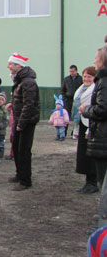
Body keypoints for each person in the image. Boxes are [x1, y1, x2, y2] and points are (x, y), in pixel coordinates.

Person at [80, 47, 107, 227]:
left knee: (103, 181)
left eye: (97, 58)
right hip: (101, 135)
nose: (94, 61)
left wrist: (86, 110)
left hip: (103, 137)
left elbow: (103, 109)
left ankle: (103, 223)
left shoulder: (104, 81)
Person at [7, 52, 40, 191]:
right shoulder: (21, 80)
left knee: (24, 150)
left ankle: (26, 180)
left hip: (26, 121)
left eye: (10, 64)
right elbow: (21, 100)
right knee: (16, 148)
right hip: (20, 119)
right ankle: (20, 174)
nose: (8, 66)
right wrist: (12, 104)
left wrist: (21, 123)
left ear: (18, 65)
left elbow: (29, 104)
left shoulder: (28, 82)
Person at [73, 66, 98, 194]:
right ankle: (88, 181)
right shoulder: (81, 89)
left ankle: (93, 182)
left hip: (90, 124)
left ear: (94, 77)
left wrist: (89, 128)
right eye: (85, 76)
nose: (86, 79)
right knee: (83, 154)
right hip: (82, 123)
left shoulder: (95, 89)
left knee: (91, 155)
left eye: (89, 76)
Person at [61, 64, 83, 137]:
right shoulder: (66, 79)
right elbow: (62, 90)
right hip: (68, 100)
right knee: (66, 116)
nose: (71, 73)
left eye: (73, 71)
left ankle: (75, 132)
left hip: (77, 101)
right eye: (70, 71)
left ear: (76, 71)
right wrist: (64, 98)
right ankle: (63, 132)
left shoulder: (81, 79)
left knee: (77, 117)